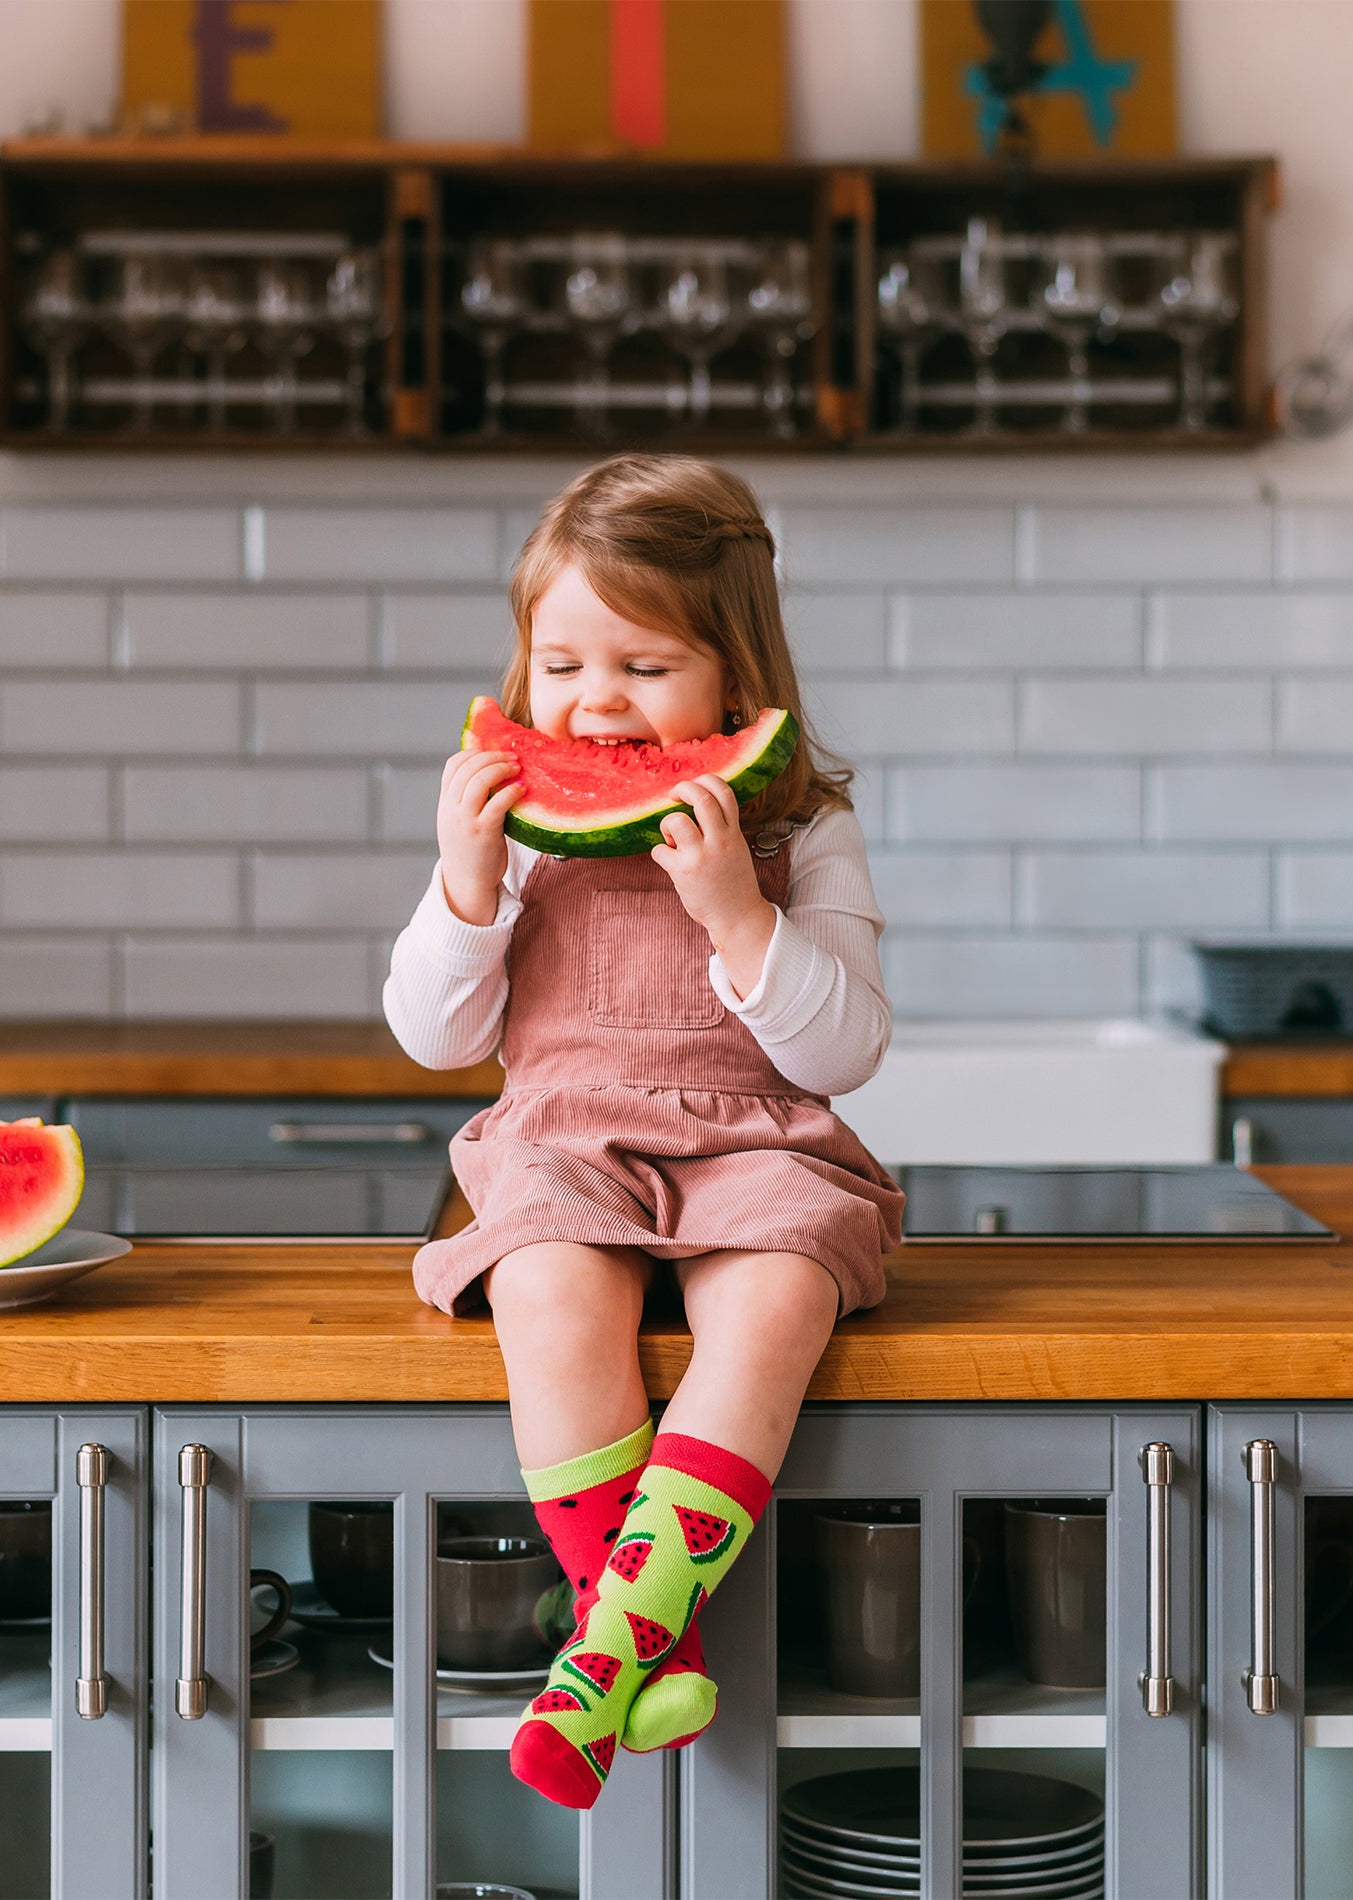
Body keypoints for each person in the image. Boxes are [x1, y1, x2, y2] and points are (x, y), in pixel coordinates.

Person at [383, 452, 903, 1810]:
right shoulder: (511, 829)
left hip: (758, 1147)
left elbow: (844, 1047)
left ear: (734, 675)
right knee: (548, 1288)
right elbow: (434, 1039)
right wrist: (465, 884)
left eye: (644, 666)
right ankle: (643, 1643)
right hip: (561, 1140)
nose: (593, 702)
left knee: (779, 1298)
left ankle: (599, 1652)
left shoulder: (806, 825)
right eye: (558, 666)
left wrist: (741, 912)